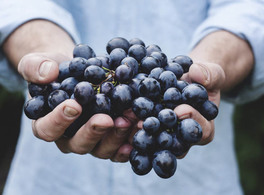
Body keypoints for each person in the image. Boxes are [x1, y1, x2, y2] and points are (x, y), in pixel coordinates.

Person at [0, 0, 264, 194]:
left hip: (198, 182)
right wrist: (46, 55)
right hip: (52, 181)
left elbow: (248, 10)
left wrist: (211, 64)